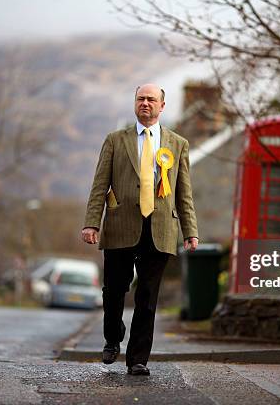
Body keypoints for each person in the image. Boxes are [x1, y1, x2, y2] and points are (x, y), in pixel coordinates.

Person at [81, 83, 199, 376]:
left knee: (147, 296)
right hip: (121, 224)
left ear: (162, 106)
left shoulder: (177, 144)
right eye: (140, 99)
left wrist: (190, 231)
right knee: (114, 290)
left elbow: (183, 192)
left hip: (160, 227)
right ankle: (112, 337)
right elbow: (100, 185)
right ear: (135, 104)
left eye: (151, 100)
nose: (145, 103)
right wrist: (91, 222)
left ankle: (137, 359)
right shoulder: (115, 140)